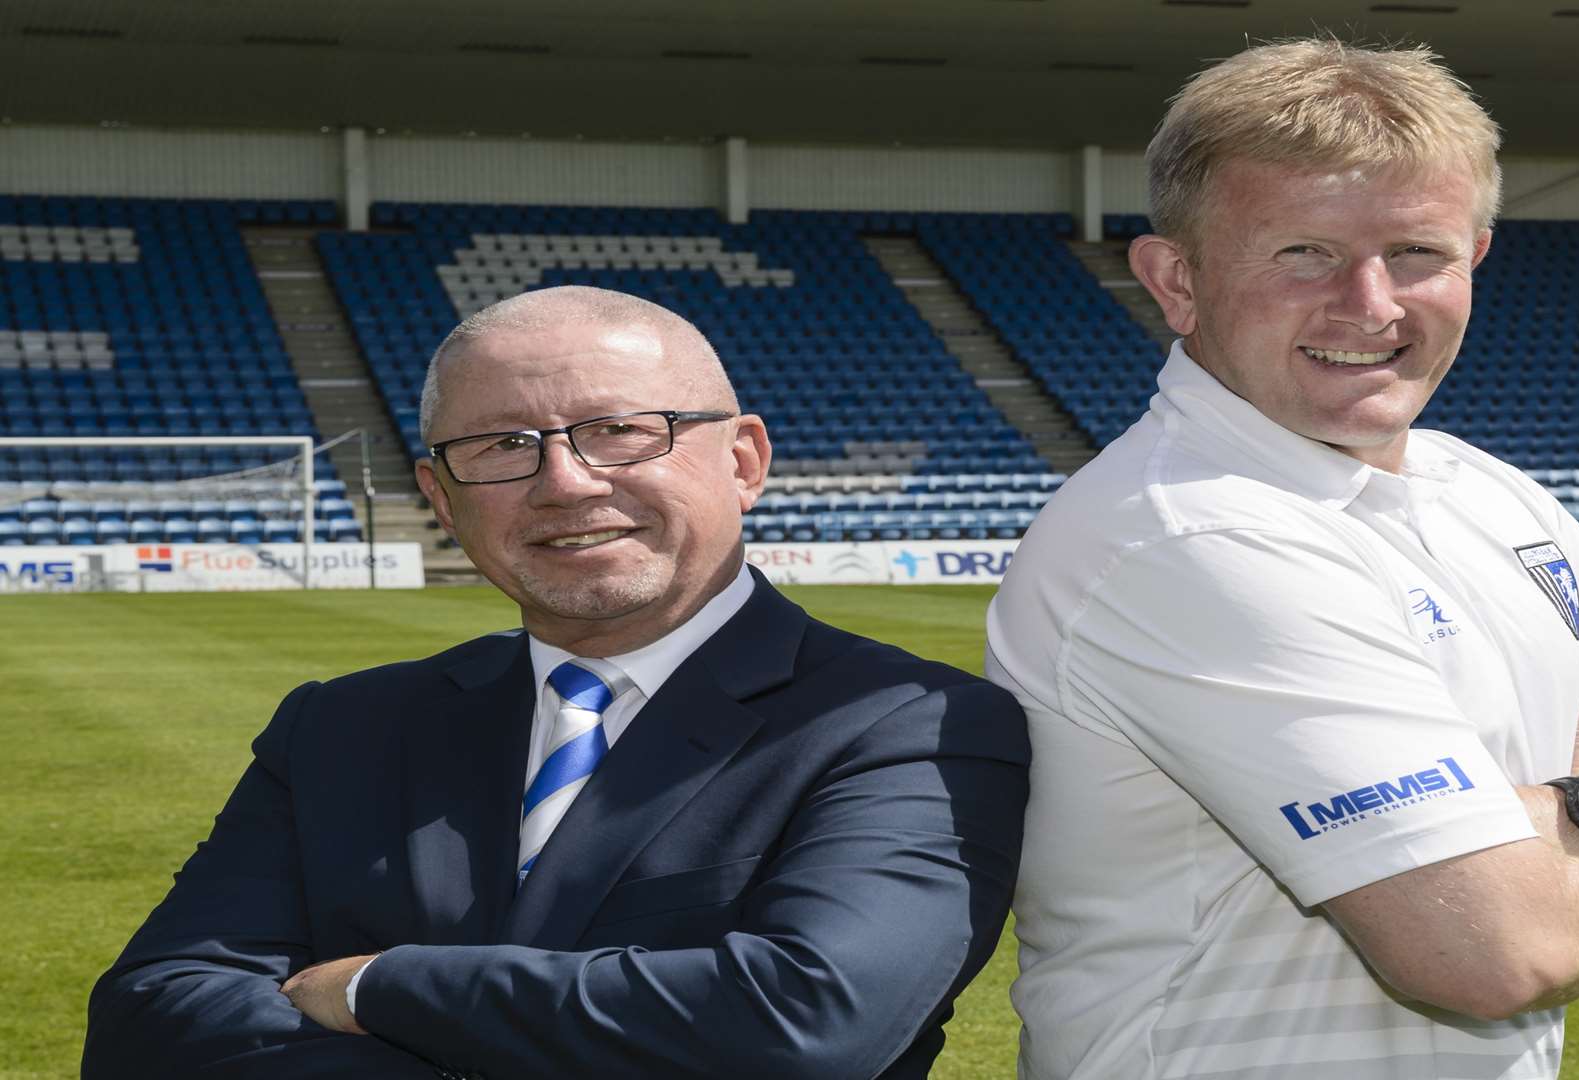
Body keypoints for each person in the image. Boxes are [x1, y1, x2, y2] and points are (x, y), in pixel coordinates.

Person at [986, 38, 1579, 1080]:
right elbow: (1495, 952)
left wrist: (1572, 820)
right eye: (1304, 253)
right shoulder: (1188, 536)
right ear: (1175, 279)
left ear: (1477, 260)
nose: (1370, 305)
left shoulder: (1491, 492)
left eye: (1417, 253)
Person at [85, 285, 1031, 1080]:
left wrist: (380, 988)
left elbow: (808, 1023)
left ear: (744, 461)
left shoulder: (910, 724)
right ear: (440, 498)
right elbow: (150, 1021)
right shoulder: (340, 728)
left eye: (620, 430)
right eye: (501, 447)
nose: (566, 483)